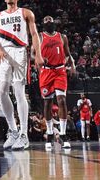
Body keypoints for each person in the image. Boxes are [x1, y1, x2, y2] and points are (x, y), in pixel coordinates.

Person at [0, 0, 43, 151]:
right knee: (1, 91)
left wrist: (38, 54)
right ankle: (13, 130)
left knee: (19, 92)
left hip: (20, 52)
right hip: (3, 53)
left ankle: (23, 135)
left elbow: (34, 34)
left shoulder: (26, 13)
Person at [39, 15, 75, 149]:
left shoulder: (62, 37)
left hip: (60, 70)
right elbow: (32, 53)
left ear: (53, 23)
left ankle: (63, 134)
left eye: (50, 19)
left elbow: (68, 53)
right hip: (46, 71)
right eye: (46, 20)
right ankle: (49, 133)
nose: (48, 21)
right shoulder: (39, 36)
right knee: (48, 102)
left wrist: (73, 66)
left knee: (62, 100)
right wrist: (40, 58)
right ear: (43, 24)